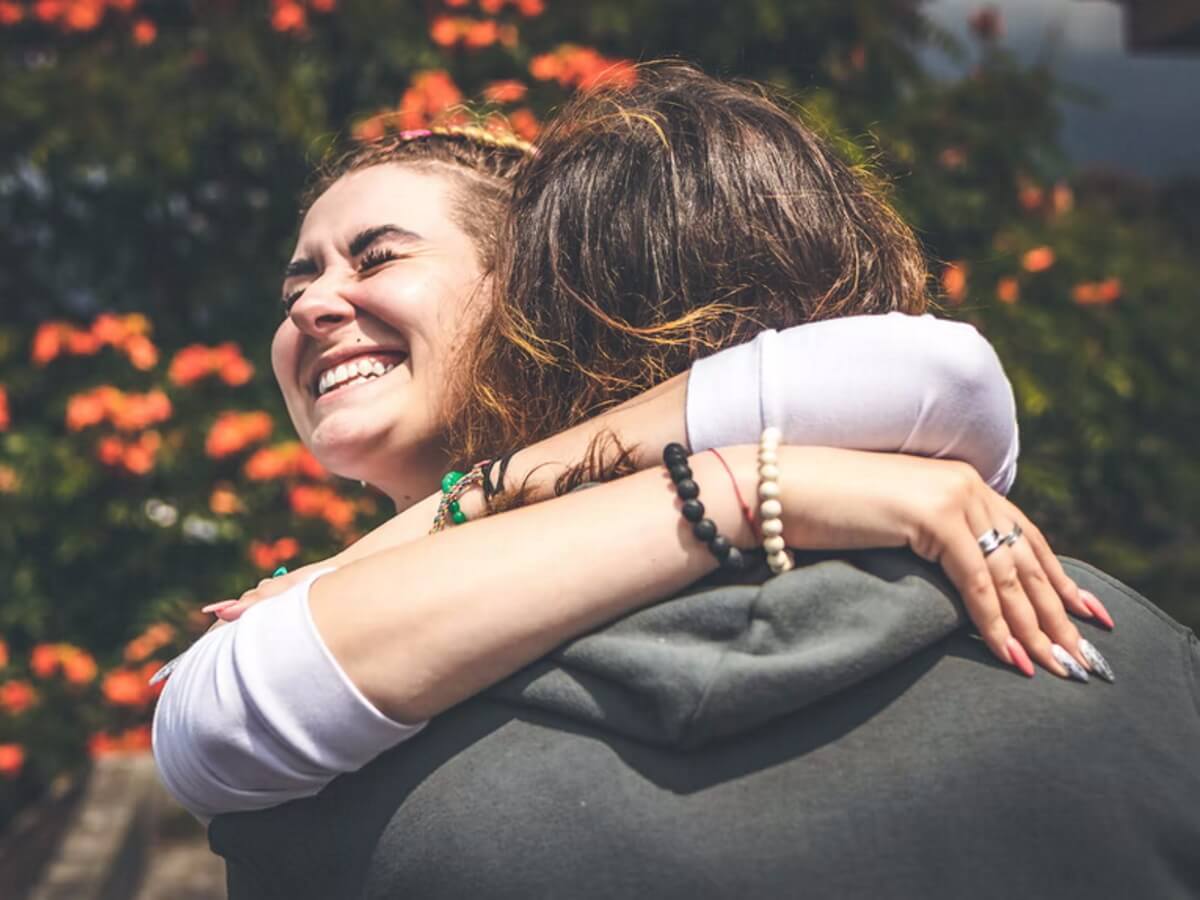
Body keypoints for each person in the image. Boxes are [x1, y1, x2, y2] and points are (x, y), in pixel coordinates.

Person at [151, 67, 1178, 898]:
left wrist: (727, 484)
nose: (317, 303)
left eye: (377, 257)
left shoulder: (352, 799)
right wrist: (753, 484)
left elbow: (929, 374)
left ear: (528, 305)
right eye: (298, 280)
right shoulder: (1139, 667)